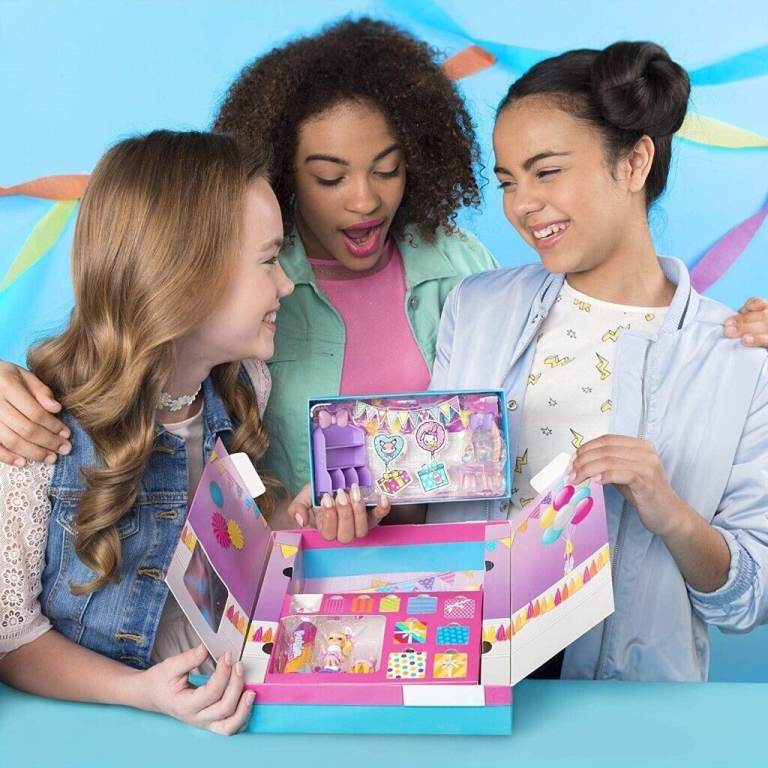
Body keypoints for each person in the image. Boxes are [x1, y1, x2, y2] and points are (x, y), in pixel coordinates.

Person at [0, 18, 496, 542]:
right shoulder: (238, 318)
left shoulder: (459, 264)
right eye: (329, 177)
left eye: (387, 169)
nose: (365, 200)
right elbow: (123, 339)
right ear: (285, 175)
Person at [426, 41, 768, 681]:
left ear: (635, 161)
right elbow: (432, 494)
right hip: (462, 669)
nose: (522, 204)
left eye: (547, 171)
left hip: (626, 699)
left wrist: (669, 511)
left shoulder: (737, 356)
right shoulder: (475, 307)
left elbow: (751, 599)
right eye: (508, 181)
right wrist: (372, 500)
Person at [0, 130, 294, 732]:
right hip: (109, 728)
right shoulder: (35, 431)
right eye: (268, 260)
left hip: (231, 695)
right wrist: (138, 692)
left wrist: (296, 521)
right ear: (186, 277)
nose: (287, 283)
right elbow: (12, 639)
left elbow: (224, 551)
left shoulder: (245, 387)